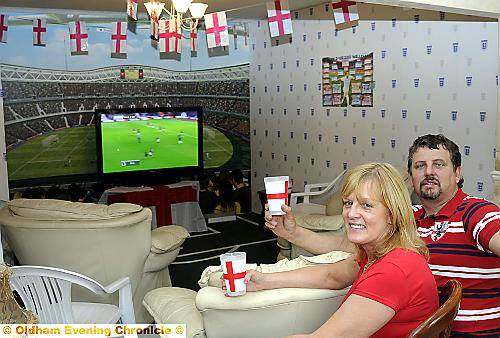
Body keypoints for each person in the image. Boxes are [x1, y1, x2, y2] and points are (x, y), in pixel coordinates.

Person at [266, 134, 500, 337]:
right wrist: (292, 233)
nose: (428, 172)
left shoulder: (476, 214)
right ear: (410, 176)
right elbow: (341, 249)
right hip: (419, 325)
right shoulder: (408, 220)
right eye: (420, 166)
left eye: (438, 165)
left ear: (457, 173)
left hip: (473, 333)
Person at [241, 163, 438, 337]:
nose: (351, 214)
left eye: (366, 205)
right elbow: (331, 276)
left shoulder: (393, 270)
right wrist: (264, 280)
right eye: (348, 203)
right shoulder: (384, 253)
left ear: (392, 215)